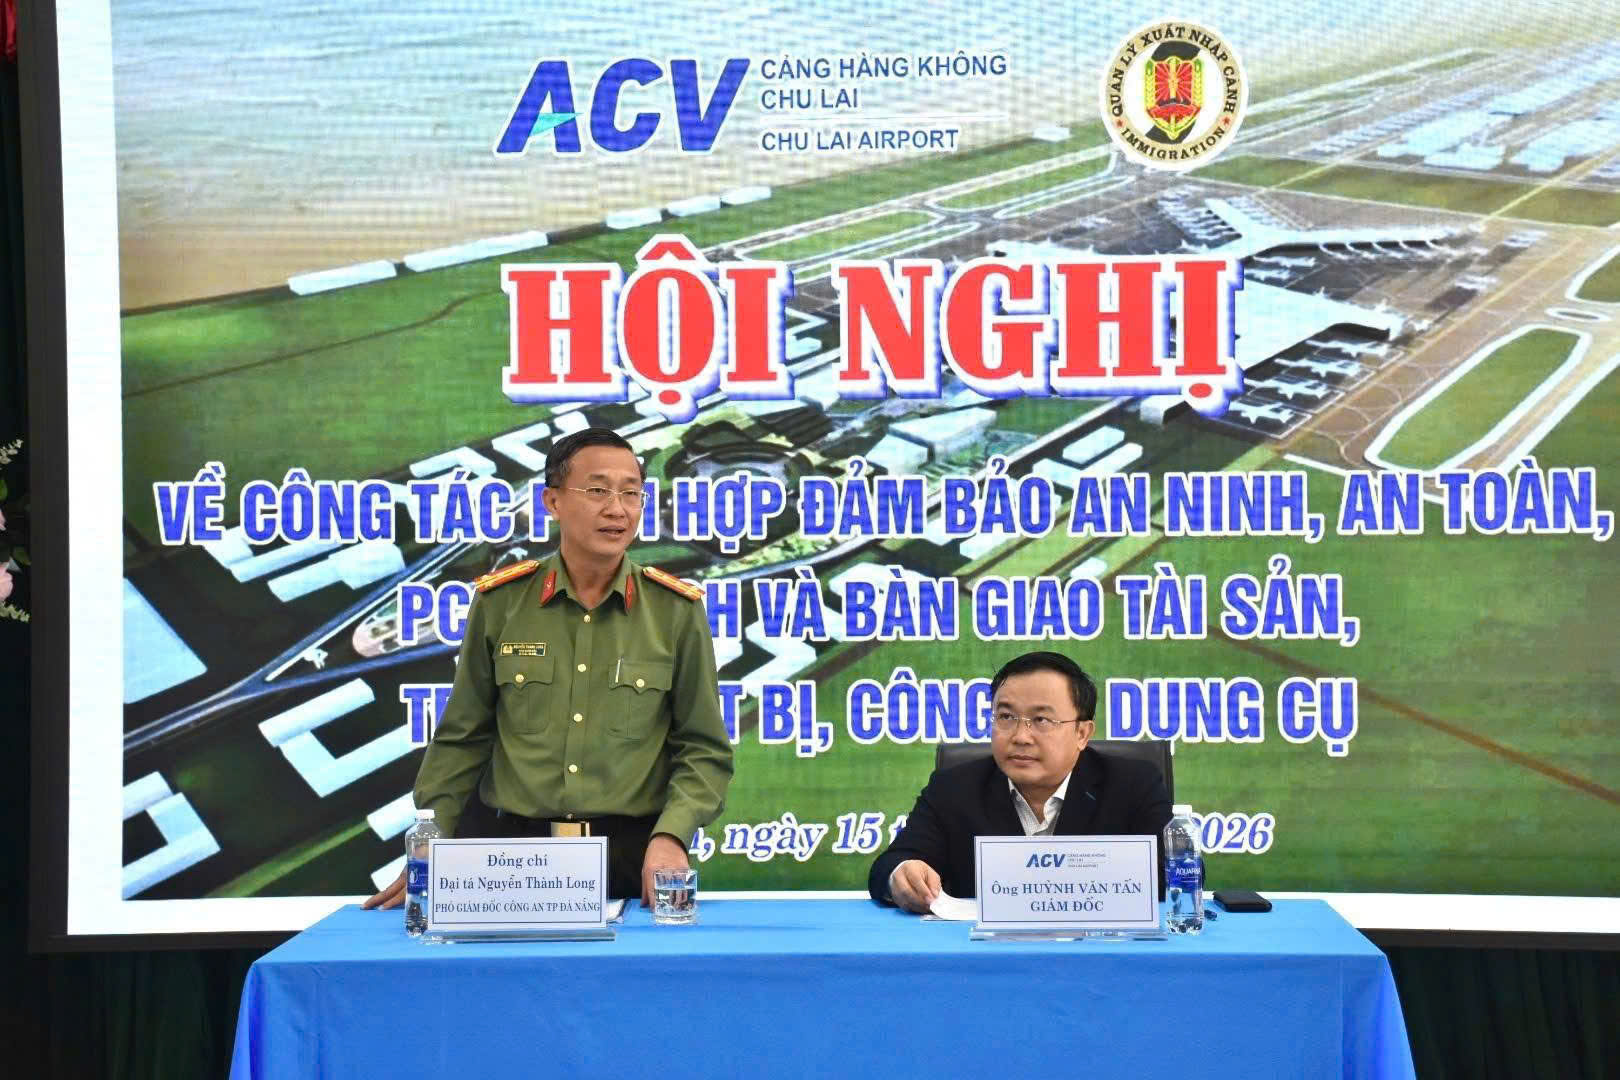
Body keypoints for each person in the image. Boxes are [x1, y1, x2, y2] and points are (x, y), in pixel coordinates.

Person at [365, 428, 733, 908]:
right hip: (508, 860)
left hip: (629, 859)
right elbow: (463, 737)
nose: (617, 509)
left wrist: (672, 836)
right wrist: (432, 835)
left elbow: (703, 748)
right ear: (553, 502)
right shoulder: (501, 603)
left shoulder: (675, 611)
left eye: (631, 493)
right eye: (597, 490)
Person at [868, 651, 1171, 913]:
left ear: (1082, 733)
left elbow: (1173, 876)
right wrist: (902, 875)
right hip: (983, 955)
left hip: (1098, 951)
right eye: (1006, 717)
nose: (1021, 737)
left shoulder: (1133, 785)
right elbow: (891, 864)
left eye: (1041, 720)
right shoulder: (954, 789)